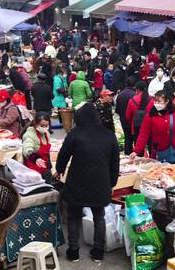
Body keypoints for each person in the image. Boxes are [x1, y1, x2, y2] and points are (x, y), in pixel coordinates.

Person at [55, 103, 120, 263]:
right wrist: (112, 183)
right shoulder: (109, 135)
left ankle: (73, 251)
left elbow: (63, 155)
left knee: (73, 217)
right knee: (99, 217)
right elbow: (115, 163)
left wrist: (59, 169)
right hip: (100, 182)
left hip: (77, 181)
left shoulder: (75, 134)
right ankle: (98, 252)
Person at [130, 90, 175, 166]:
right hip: (159, 152)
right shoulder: (150, 116)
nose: (156, 103)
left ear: (167, 101)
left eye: (159, 101)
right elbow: (143, 135)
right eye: (155, 101)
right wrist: (136, 151)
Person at [22, 112, 53, 181]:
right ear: (35, 124)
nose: (44, 128)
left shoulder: (45, 134)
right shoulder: (29, 135)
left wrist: (49, 163)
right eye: (42, 125)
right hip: (34, 170)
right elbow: (27, 148)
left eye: (46, 125)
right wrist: (36, 158)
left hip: (44, 168)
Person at [116, 77, 136, 155]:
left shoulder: (120, 95)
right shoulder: (134, 94)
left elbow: (117, 110)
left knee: (127, 138)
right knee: (135, 137)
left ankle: (127, 153)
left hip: (123, 119)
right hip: (133, 120)